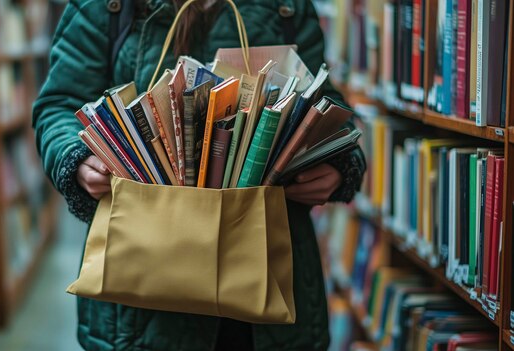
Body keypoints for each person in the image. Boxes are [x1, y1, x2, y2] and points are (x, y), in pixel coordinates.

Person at [32, 0, 366, 349]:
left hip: (265, 286)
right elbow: (59, 106)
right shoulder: (107, 7)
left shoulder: (286, 7)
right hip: (141, 300)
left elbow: (322, 100)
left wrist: (338, 165)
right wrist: (78, 158)